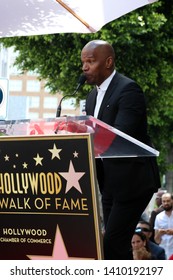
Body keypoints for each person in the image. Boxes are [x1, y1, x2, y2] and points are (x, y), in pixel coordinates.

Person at [81, 39, 161, 259]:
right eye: (83, 63)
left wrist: (84, 133)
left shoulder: (128, 89)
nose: (84, 68)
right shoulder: (91, 96)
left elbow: (118, 135)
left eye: (90, 61)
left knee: (112, 242)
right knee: (118, 245)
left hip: (133, 181)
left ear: (108, 62)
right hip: (108, 182)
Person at [154, 193, 173, 259]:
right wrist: (159, 233)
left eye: (168, 201)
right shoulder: (158, 217)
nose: (166, 203)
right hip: (163, 251)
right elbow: (157, 240)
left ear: (172, 201)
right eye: (164, 201)